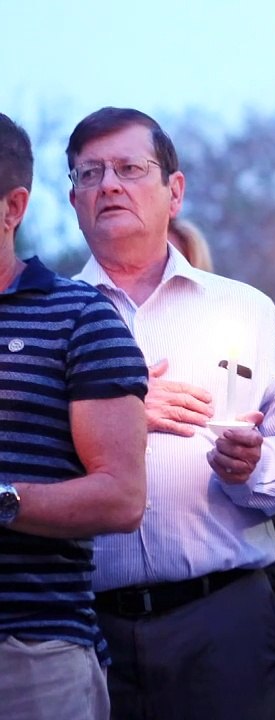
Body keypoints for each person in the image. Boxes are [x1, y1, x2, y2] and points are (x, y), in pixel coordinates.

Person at [66, 107, 275, 719]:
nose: (109, 184)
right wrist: (119, 416)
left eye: (130, 168)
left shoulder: (244, 310)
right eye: (90, 173)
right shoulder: (48, 318)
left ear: (175, 191)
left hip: (222, 621)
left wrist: (257, 465)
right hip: (82, 624)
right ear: (74, 200)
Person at [0, 113, 148, 720]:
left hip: (29, 651)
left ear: (13, 207)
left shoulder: (79, 318)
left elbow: (121, 497)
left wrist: (2, 499)